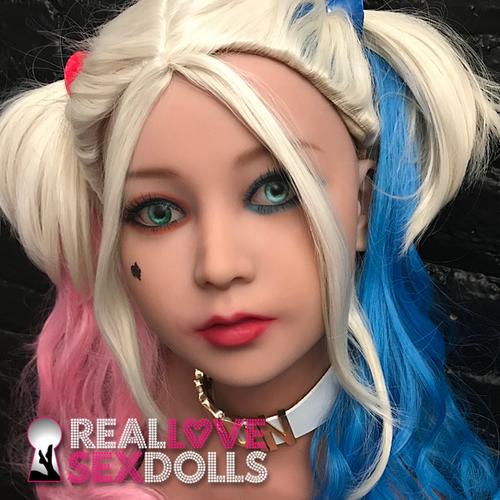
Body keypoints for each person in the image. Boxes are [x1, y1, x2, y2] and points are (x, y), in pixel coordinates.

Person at [0, 0, 499, 498]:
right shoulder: (100, 427)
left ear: (363, 206)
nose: (219, 267)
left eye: (276, 190)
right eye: (158, 212)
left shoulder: (421, 480)